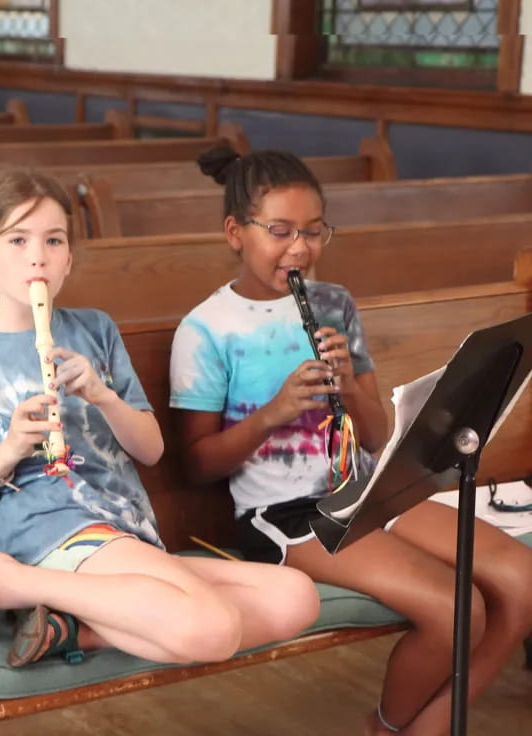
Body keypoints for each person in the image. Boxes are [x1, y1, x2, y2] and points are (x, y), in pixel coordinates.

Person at [173, 146, 532, 735]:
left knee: (518, 576)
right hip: (285, 514)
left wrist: (351, 386)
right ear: (235, 232)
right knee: (452, 606)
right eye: (281, 232)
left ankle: (430, 726)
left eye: (314, 233)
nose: (300, 249)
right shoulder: (207, 329)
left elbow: (376, 434)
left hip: (366, 488)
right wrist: (275, 412)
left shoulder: (333, 304)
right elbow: (197, 465)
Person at [0, 166, 319, 669]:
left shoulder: (95, 330)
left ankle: (71, 628)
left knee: (297, 597)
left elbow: (151, 449)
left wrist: (102, 395)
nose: (37, 255)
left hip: (128, 532)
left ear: (67, 260)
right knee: (214, 627)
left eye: (53, 240)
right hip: (51, 531)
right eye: (17, 239)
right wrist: (9, 450)